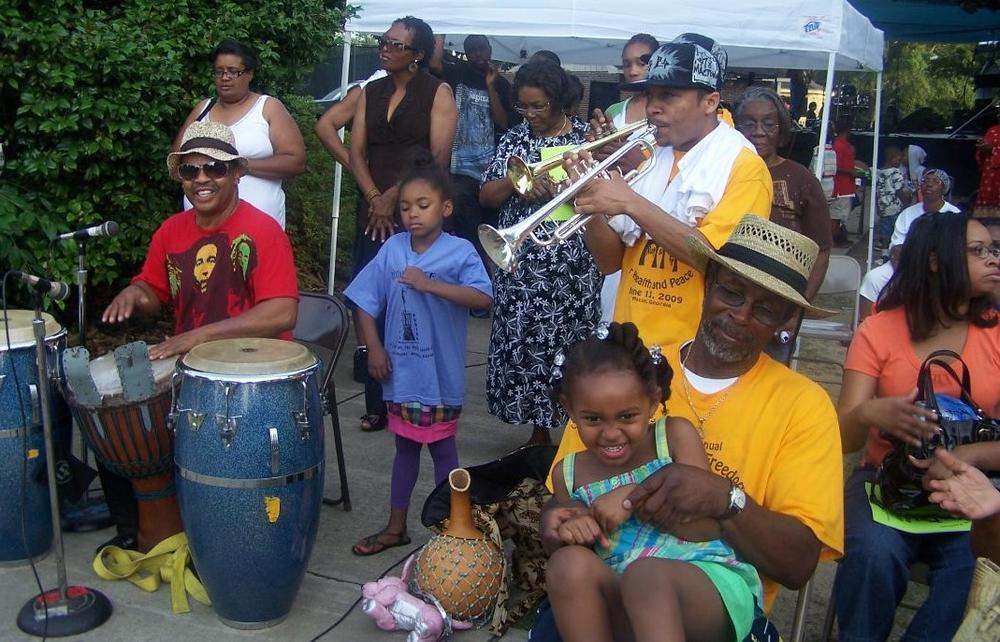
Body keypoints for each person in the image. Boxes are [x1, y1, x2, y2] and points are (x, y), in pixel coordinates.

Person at [535, 216, 845, 642]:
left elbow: (798, 565)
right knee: (568, 570)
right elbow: (569, 489)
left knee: (647, 580)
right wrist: (556, 522)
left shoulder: (804, 405)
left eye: (766, 308)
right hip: (607, 586)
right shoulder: (631, 372)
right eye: (731, 292)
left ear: (787, 320)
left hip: (703, 603)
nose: (740, 315)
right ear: (708, 281)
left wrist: (726, 499)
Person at [100, 121, 299, 551]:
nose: (202, 178)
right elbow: (154, 290)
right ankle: (150, 529)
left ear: (237, 173)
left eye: (214, 168)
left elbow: (281, 311)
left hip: (252, 380)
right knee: (116, 409)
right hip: (189, 372)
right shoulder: (171, 231)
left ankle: (223, 537)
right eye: (191, 171)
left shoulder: (263, 231)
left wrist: (198, 337)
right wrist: (135, 293)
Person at [834, 213, 1000, 641]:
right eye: (977, 251)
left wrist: (965, 458)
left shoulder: (996, 332)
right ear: (933, 260)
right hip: (887, 482)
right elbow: (845, 437)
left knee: (975, 568)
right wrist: (872, 413)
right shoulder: (878, 331)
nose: (993, 259)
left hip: (976, 488)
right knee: (872, 555)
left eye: (993, 250)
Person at [545, 321, 763, 642]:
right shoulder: (568, 473)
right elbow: (570, 552)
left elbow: (706, 529)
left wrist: (635, 498)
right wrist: (563, 528)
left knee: (645, 577)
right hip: (625, 597)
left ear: (652, 401)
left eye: (627, 416)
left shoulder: (674, 437)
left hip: (703, 586)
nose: (611, 433)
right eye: (593, 419)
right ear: (570, 410)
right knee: (566, 565)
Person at [571, 36, 772, 350]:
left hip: (691, 350)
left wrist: (629, 201)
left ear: (710, 102)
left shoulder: (745, 168)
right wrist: (587, 204)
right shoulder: (652, 157)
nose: (652, 108)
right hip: (630, 342)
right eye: (650, 96)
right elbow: (610, 263)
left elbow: (715, 261)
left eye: (668, 96)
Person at [344, 165, 492, 555]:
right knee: (405, 450)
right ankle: (396, 526)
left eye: (423, 205)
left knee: (445, 451)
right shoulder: (392, 249)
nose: (412, 213)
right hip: (401, 375)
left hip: (440, 377)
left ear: (444, 208)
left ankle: (453, 529)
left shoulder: (460, 252)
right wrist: (372, 348)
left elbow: (483, 298)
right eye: (406, 206)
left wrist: (432, 285)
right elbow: (363, 299)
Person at [479, 60, 601, 447]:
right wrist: (516, 184)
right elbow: (485, 195)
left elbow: (603, 190)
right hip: (525, 265)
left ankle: (578, 429)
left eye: (539, 107)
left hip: (574, 265)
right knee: (529, 345)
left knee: (572, 345)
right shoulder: (515, 139)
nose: (530, 115)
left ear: (559, 101)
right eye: (524, 107)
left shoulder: (586, 138)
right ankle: (538, 431)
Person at [349, 15, 458, 433]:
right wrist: (375, 198)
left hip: (415, 210)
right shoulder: (368, 92)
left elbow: (437, 157)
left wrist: (394, 197)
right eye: (385, 41)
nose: (386, 48)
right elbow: (355, 151)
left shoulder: (437, 92)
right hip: (373, 208)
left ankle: (414, 396)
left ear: (417, 55)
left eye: (396, 45)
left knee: (409, 304)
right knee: (371, 302)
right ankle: (377, 399)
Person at [734, 86, 831, 363]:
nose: (759, 130)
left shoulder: (801, 180)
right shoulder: (722, 172)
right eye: (749, 123)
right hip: (728, 298)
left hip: (777, 305)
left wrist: (797, 308)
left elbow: (821, 249)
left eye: (768, 123)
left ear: (782, 129)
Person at [174, 39, 305, 229]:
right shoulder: (203, 109)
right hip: (203, 224)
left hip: (259, 226)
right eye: (219, 72)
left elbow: (296, 161)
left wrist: (238, 165)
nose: (225, 77)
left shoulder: (267, 108)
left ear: (250, 74)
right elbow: (177, 158)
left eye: (233, 71)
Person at [429, 34, 514, 277]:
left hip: (490, 170)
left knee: (491, 229)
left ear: (489, 49)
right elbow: (435, 64)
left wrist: (490, 86)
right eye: (471, 50)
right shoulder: (457, 74)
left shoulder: (502, 85)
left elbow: (503, 122)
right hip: (459, 168)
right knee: (468, 229)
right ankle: (478, 282)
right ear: (466, 53)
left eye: (481, 49)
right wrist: (442, 30)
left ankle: (485, 282)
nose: (477, 54)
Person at [590, 33, 659, 323]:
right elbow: (601, 161)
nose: (633, 70)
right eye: (627, 64)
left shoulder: (664, 110)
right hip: (611, 217)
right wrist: (593, 148)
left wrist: (626, 156)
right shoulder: (614, 111)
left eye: (642, 62)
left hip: (651, 211)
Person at [858, 169, 960, 320]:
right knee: (873, 278)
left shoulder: (955, 215)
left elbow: (955, 252)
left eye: (935, 181)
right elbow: (896, 249)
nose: (929, 185)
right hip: (906, 266)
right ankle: (863, 324)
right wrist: (907, 273)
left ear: (944, 188)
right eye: (925, 181)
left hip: (940, 269)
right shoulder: (908, 213)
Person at [315, 69, 389, 169]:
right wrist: (360, 171)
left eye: (398, 51)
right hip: (383, 178)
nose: (384, 53)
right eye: (381, 51)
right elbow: (325, 126)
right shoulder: (376, 83)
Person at [875, 145, 912, 249]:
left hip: (883, 208)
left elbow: (877, 192)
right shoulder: (896, 172)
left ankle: (885, 253)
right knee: (897, 231)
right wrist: (905, 203)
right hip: (895, 207)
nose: (900, 162)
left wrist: (878, 207)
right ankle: (895, 252)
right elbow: (899, 190)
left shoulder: (879, 172)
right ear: (892, 158)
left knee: (885, 233)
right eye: (898, 159)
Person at [828, 115, 856, 244]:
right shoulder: (839, 145)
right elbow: (836, 166)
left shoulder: (844, 145)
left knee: (841, 215)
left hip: (846, 186)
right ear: (848, 130)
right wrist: (851, 171)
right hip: (841, 186)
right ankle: (833, 239)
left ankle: (839, 236)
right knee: (836, 215)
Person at [976, 107, 1000, 217]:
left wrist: (993, 150)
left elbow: (992, 149)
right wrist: (981, 148)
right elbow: (981, 157)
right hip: (989, 180)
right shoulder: (992, 130)